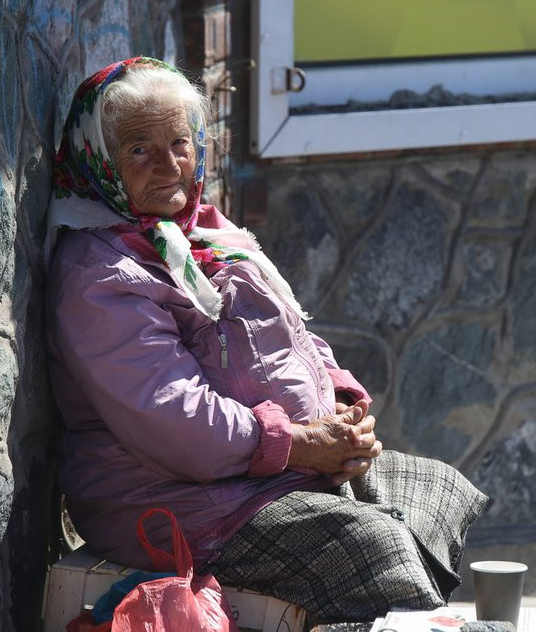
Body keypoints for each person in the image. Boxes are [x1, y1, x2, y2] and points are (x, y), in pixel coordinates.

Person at [45, 57, 488, 622]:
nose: (169, 166)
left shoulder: (202, 233)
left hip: (270, 470)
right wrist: (301, 444)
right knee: (373, 551)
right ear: (99, 160)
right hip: (177, 499)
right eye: (139, 150)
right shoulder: (100, 275)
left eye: (180, 143)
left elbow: (291, 333)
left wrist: (341, 405)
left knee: (433, 492)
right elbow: (176, 421)